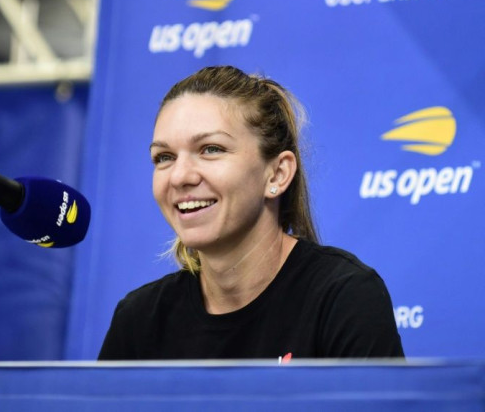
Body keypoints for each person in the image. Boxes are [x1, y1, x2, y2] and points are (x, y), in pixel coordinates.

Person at [98, 66, 404, 360]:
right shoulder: (137, 321)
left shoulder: (344, 298)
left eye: (211, 149)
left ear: (277, 174)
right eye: (164, 157)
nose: (180, 176)